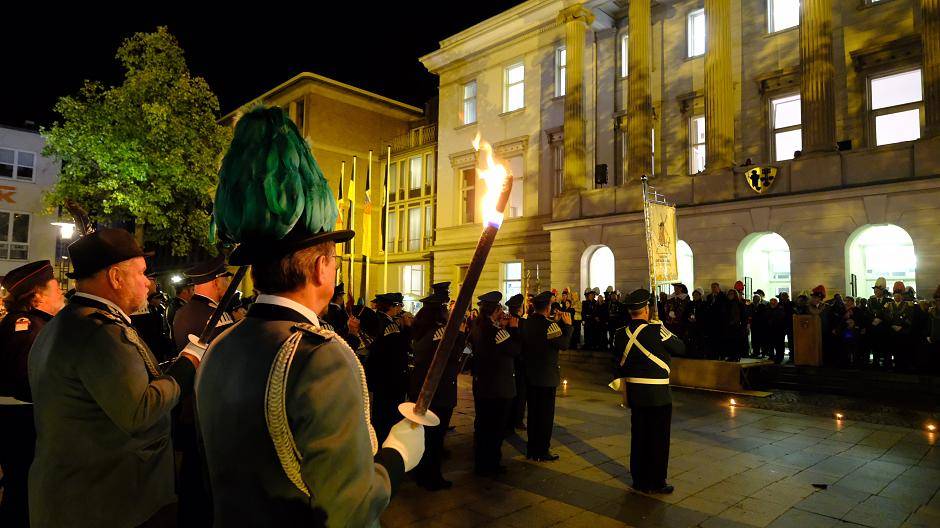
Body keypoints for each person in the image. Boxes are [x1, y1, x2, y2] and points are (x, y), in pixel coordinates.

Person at [195, 106, 422, 526]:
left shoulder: (219, 344)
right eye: (334, 260)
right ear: (321, 268)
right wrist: (396, 456)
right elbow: (350, 508)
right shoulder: (319, 357)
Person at [28, 228, 201, 527]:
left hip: (77, 496)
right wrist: (188, 364)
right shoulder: (100, 333)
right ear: (116, 278)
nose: (147, 283)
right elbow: (139, 410)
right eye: (141, 273)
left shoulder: (68, 323)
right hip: (108, 503)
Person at [0, 260, 65, 527]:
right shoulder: (27, 327)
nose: (61, 290)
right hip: (22, 420)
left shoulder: (38, 324)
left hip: (22, 418)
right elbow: (27, 380)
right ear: (37, 296)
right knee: (23, 493)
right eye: (55, 285)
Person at [612, 289, 684, 495]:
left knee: (639, 436)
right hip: (658, 393)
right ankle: (657, 481)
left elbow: (617, 361)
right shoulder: (656, 330)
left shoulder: (619, 334)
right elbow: (680, 348)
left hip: (635, 392)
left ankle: (639, 479)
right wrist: (662, 328)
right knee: (659, 439)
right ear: (646, 309)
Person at [407, 287, 466, 491]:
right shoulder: (441, 332)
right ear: (440, 311)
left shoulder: (423, 328)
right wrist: (459, 335)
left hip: (423, 388)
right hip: (438, 391)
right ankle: (431, 476)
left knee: (424, 435)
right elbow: (454, 355)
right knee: (435, 437)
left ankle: (421, 471)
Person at [470, 291, 519, 476]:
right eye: (500, 308)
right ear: (495, 310)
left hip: (482, 384)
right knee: (494, 429)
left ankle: (481, 463)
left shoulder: (477, 325)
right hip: (498, 387)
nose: (502, 312)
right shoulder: (497, 332)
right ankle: (491, 464)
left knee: (482, 426)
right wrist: (512, 329)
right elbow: (515, 350)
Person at [522, 290, 573, 462]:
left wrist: (555, 323)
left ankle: (531, 448)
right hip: (546, 378)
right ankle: (541, 450)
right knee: (544, 417)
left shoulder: (527, 324)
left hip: (530, 376)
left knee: (533, 415)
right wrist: (568, 326)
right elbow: (563, 344)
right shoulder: (550, 326)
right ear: (548, 307)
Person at [367, 292, 412, 445]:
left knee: (380, 412)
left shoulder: (379, 320)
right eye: (399, 305)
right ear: (392, 306)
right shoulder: (390, 325)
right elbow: (401, 349)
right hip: (391, 379)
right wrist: (407, 328)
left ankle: (379, 441)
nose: (401, 309)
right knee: (389, 414)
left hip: (381, 378)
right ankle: (386, 443)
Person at [172, 254, 235, 352]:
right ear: (216, 282)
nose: (228, 284)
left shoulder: (180, 312)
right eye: (226, 279)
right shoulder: (218, 316)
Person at [506, 294, 528, 432]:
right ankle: (517, 419)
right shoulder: (522, 323)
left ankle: (509, 418)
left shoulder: (506, 321)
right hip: (520, 363)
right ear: (520, 308)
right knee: (520, 393)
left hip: (509, 364)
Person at [766, 297, 788, 364]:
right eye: (771, 303)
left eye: (773, 303)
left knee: (779, 345)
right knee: (770, 344)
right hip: (770, 330)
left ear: (776, 303)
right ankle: (771, 356)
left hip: (779, 331)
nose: (772, 304)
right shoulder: (768, 309)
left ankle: (779, 357)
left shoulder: (780, 310)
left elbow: (782, 320)